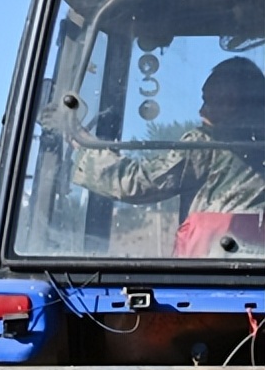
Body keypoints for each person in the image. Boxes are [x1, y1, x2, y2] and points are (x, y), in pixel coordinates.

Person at [73, 56, 265, 255]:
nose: (201, 111)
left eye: (208, 102)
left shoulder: (207, 143)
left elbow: (141, 183)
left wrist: (84, 146)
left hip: (210, 273)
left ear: (230, 101)